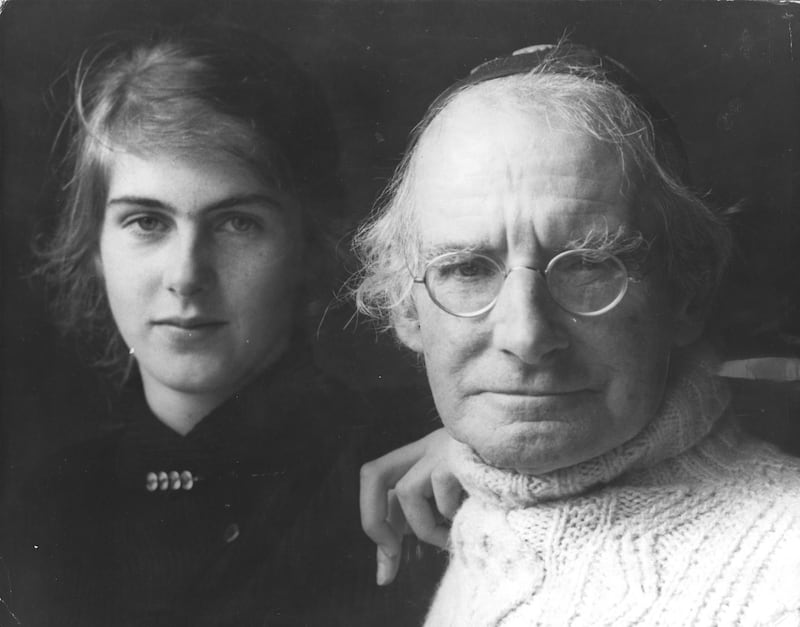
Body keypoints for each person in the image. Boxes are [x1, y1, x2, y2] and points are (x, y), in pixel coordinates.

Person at [354, 42, 800, 624]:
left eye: (590, 265)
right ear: (406, 310)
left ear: (687, 295)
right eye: (466, 269)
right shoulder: (464, 506)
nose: (527, 335)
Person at [1, 25, 432, 627]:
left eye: (236, 224)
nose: (186, 276)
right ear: (94, 249)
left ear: (307, 246)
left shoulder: (412, 463)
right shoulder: (41, 513)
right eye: (147, 222)